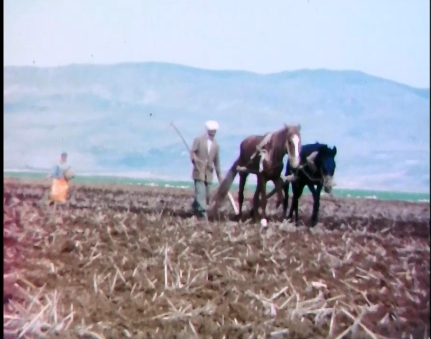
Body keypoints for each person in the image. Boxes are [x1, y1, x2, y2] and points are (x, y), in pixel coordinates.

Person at [190, 120, 222, 220]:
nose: (214, 132)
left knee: (207, 194)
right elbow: (192, 153)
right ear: (208, 130)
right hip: (199, 171)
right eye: (212, 130)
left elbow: (217, 162)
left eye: (215, 131)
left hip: (209, 173)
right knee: (200, 193)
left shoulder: (216, 145)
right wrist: (195, 159)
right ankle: (203, 216)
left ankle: (196, 206)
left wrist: (219, 176)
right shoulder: (198, 140)